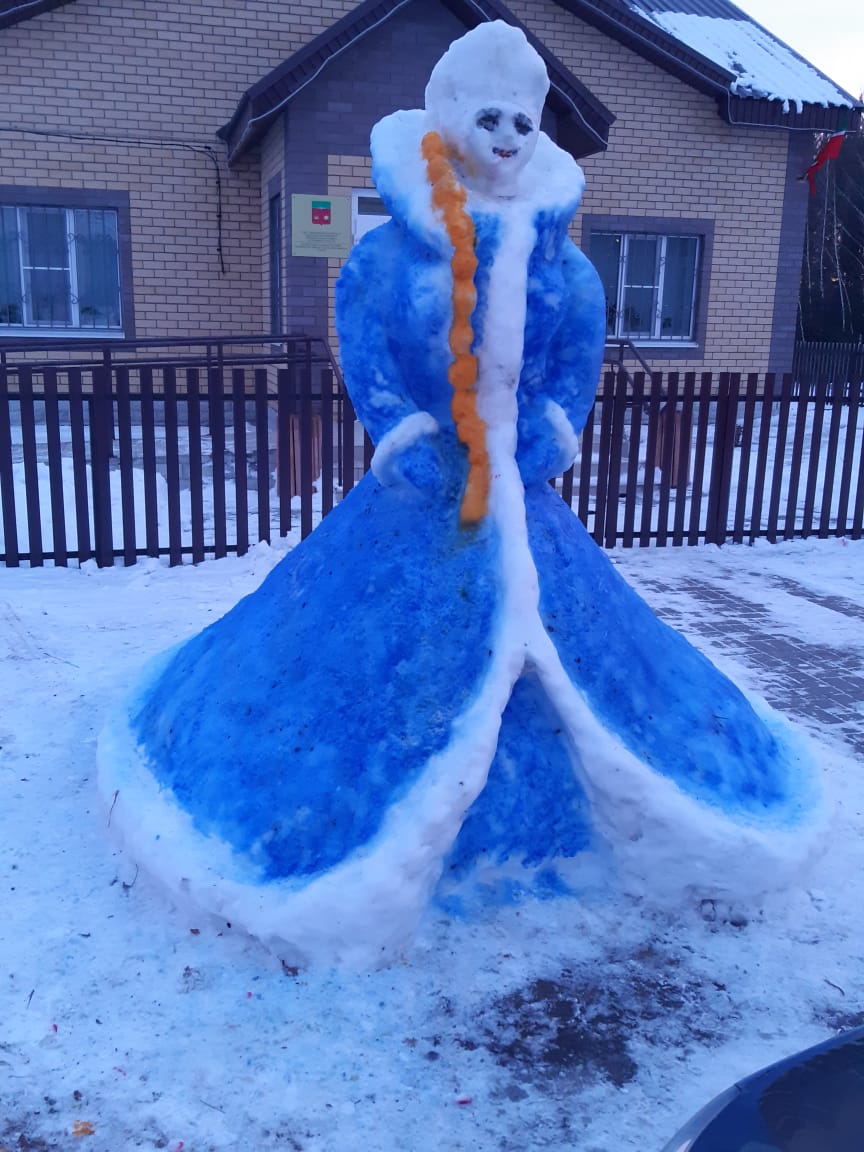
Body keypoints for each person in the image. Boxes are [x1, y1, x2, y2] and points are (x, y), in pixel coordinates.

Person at [99, 22, 819, 967]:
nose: (512, 135)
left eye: (526, 117)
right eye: (490, 117)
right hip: (423, 493)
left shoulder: (568, 269)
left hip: (525, 494)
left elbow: (573, 367)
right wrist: (398, 428)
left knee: (603, 662)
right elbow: (365, 356)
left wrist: (555, 426)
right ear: (446, 123)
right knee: (375, 668)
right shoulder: (389, 260)